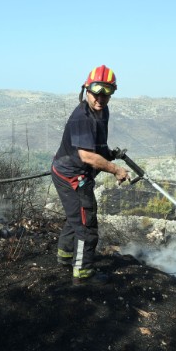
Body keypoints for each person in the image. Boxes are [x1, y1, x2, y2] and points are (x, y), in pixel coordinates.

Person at [51, 65, 129, 285]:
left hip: (72, 172)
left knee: (76, 216)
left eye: (107, 93)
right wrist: (115, 169)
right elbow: (86, 156)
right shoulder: (82, 117)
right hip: (72, 176)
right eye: (96, 92)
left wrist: (109, 154)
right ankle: (83, 274)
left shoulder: (102, 111)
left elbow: (97, 145)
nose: (100, 98)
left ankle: (65, 256)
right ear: (87, 89)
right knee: (87, 225)